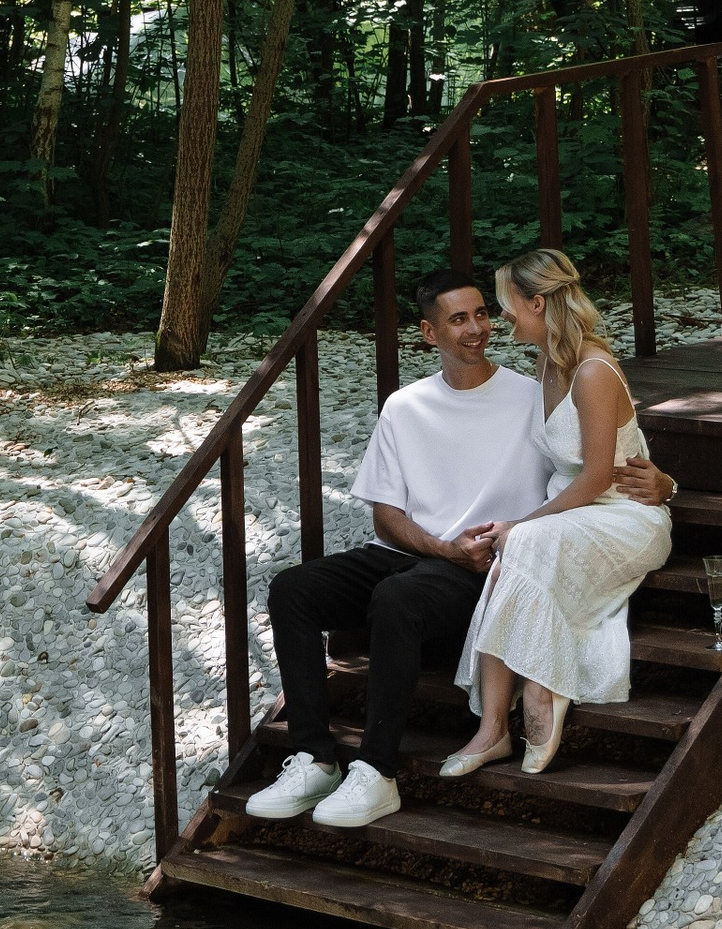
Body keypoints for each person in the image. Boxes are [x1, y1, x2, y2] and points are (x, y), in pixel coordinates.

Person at [248, 269, 672, 834]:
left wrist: (665, 485)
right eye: (458, 319)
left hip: (487, 563)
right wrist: (442, 548)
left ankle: (376, 771)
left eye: (482, 314)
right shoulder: (405, 405)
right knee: (293, 589)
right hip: (426, 554)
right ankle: (314, 759)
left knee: (398, 599)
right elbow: (386, 515)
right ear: (428, 333)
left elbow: (596, 463)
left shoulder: (535, 394)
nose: (476, 329)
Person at [443, 246, 672, 784]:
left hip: (622, 514)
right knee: (514, 551)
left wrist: (522, 523)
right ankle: (495, 728)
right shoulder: (547, 361)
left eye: (506, 305)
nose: (501, 318)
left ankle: (540, 691)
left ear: (538, 304)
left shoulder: (593, 370)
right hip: (574, 514)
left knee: (518, 542)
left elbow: (597, 476)